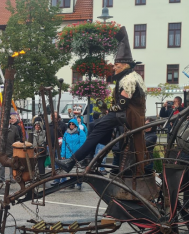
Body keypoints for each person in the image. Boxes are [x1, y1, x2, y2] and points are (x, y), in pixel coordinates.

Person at [56, 34, 146, 174]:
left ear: (125, 65)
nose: (114, 68)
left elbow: (121, 105)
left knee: (96, 127)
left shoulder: (128, 79)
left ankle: (73, 161)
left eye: (117, 65)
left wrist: (108, 109)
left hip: (126, 116)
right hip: (126, 115)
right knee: (93, 125)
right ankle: (89, 158)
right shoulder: (132, 77)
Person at [61, 119, 86, 189]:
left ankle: (79, 183)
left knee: (78, 169)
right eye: (70, 124)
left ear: (75, 125)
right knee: (71, 170)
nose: (71, 125)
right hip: (69, 155)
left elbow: (82, 144)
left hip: (77, 154)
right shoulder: (66, 133)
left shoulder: (80, 133)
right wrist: (63, 154)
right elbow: (64, 144)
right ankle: (72, 183)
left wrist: (81, 153)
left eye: (73, 124)